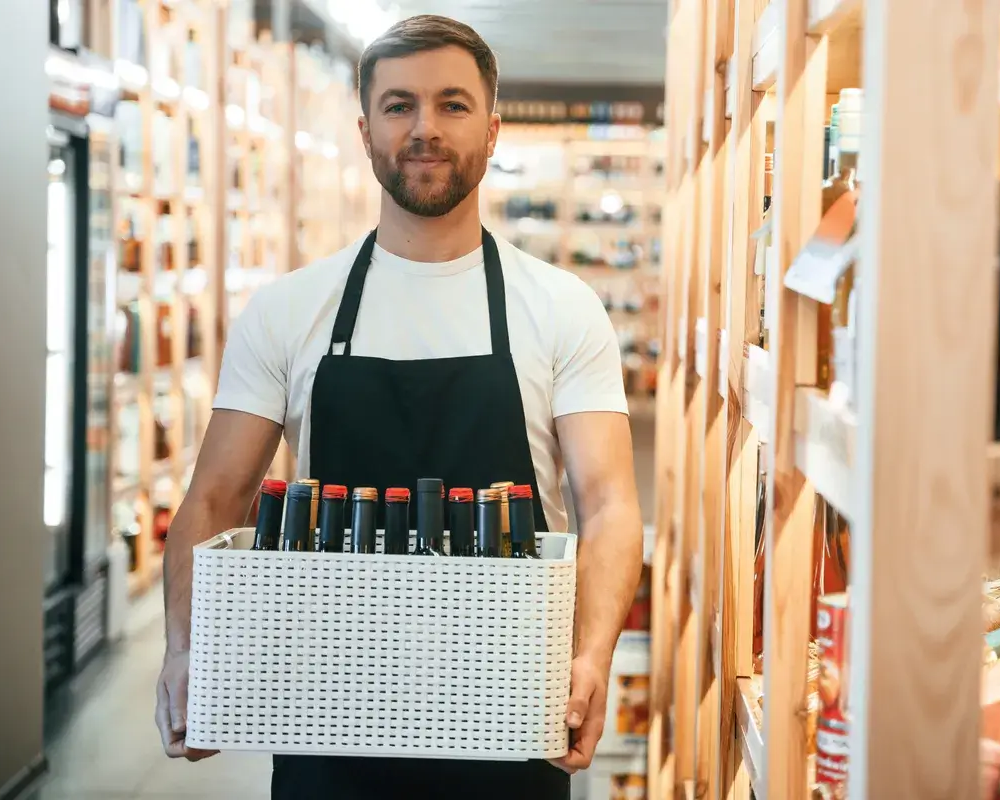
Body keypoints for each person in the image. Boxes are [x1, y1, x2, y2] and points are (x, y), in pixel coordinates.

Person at [153, 13, 644, 800]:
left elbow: (611, 502)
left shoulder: (561, 308)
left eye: (452, 104)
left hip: (514, 711)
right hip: (321, 710)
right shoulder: (290, 310)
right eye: (398, 105)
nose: (425, 128)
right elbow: (212, 496)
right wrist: (187, 649)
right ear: (365, 129)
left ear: (492, 128)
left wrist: (590, 656)